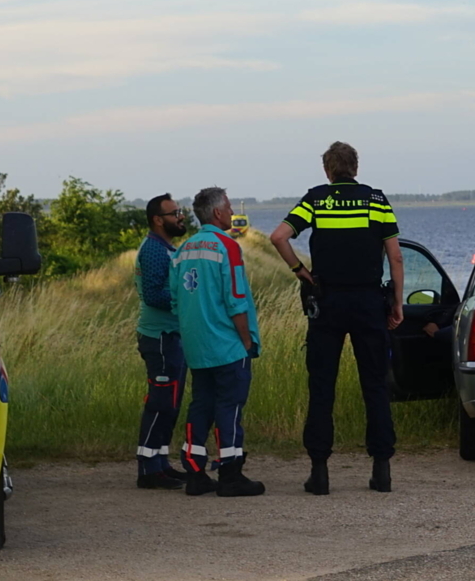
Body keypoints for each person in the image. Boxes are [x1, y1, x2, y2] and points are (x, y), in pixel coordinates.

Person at [270, 141, 404, 495]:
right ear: (355, 168)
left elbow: (279, 237)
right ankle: (382, 471)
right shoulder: (376, 200)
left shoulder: (316, 199)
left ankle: (319, 473)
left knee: (321, 387)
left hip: (327, 301)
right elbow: (395, 257)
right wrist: (397, 303)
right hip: (368, 302)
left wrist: (300, 271)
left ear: (327, 170)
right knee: (375, 385)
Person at [170, 187, 264, 497]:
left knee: (201, 405)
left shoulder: (183, 250)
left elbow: (175, 300)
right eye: (229, 206)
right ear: (218, 212)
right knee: (230, 407)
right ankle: (230, 473)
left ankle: (195, 472)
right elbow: (236, 299)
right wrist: (246, 340)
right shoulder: (227, 247)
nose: (232, 212)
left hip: (196, 345)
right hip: (227, 344)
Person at [134, 194, 189, 489]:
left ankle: (161, 463)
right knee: (160, 402)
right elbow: (155, 295)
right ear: (157, 220)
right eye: (174, 213)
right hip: (160, 338)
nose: (181, 217)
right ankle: (148, 469)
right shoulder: (155, 250)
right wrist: (189, 299)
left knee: (171, 404)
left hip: (170, 336)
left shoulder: (166, 248)